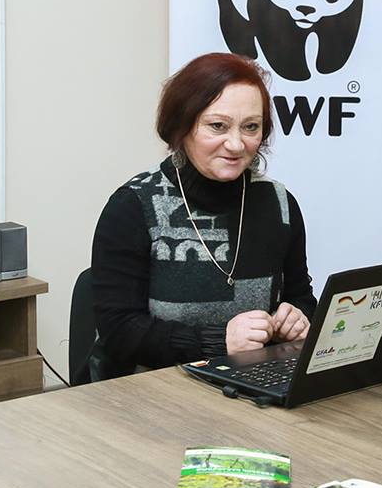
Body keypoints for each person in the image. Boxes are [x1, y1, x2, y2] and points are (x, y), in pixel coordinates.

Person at [90, 53, 315, 375]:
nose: (236, 144)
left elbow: (300, 296)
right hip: (154, 386)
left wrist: (296, 317)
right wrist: (219, 341)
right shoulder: (133, 206)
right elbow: (119, 331)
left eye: (251, 127)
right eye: (217, 126)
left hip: (251, 380)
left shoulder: (278, 203)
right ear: (181, 126)